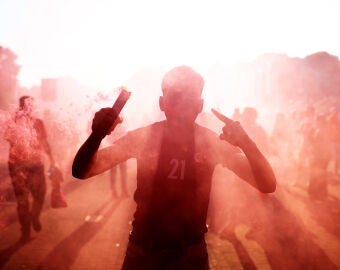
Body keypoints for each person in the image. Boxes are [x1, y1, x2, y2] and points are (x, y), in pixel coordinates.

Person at [72, 65, 277, 270]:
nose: (183, 105)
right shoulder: (145, 138)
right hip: (144, 252)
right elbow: (82, 171)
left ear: (199, 105)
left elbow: (267, 184)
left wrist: (246, 143)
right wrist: (96, 135)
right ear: (163, 103)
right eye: (176, 96)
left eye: (190, 98)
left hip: (190, 254)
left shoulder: (210, 142)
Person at [3, 96, 55, 243]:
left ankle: (32, 219)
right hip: (22, 165)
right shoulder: (16, 123)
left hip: (28, 165)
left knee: (33, 197)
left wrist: (52, 160)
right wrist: (51, 160)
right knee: (24, 200)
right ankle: (26, 230)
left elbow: (44, 143)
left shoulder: (31, 123)